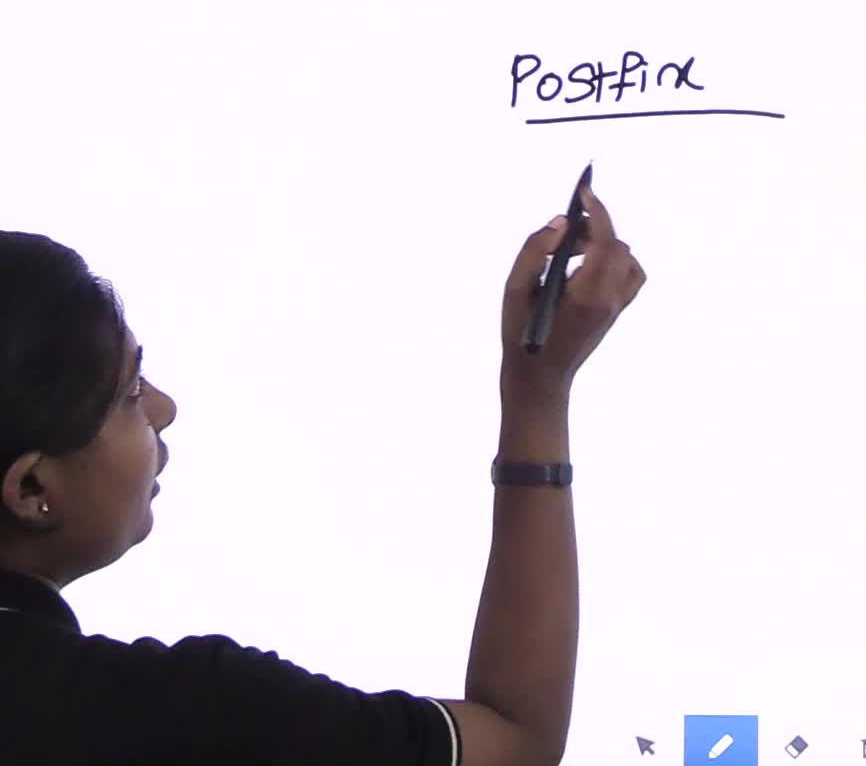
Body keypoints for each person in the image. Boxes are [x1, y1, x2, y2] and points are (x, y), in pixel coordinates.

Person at [0, 180, 645, 766]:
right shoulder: (187, 715)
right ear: (31, 489)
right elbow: (516, 743)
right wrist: (537, 395)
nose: (165, 408)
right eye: (131, 393)